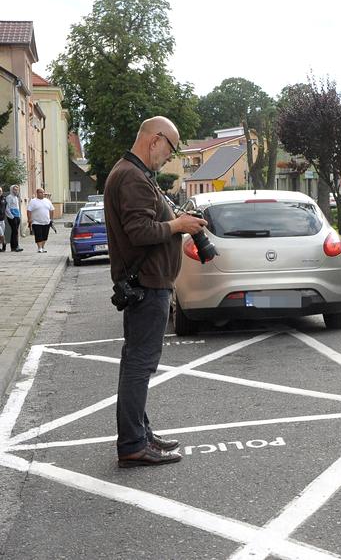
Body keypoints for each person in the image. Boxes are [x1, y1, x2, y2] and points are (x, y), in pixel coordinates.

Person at [104, 116, 208, 467]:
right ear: (155, 140)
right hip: (147, 285)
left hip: (148, 284)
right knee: (138, 366)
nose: (169, 157)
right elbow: (139, 231)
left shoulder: (133, 173)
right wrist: (179, 224)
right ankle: (133, 444)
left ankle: (140, 433)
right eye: (171, 148)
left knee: (137, 364)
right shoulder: (131, 177)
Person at [27, 188, 54, 253]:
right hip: (36, 222)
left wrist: (51, 219)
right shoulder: (33, 201)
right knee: (38, 235)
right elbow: (29, 210)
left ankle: (43, 247)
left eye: (43, 192)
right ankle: (39, 248)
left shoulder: (47, 201)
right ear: (37, 193)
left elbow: (52, 209)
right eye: (40, 192)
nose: (42, 194)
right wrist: (29, 219)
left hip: (46, 221)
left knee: (45, 236)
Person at [5, 184, 23, 252]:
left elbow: (17, 207)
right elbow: (7, 208)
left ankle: (15, 246)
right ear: (12, 190)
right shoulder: (9, 197)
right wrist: (11, 216)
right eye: (14, 189)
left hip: (17, 216)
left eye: (17, 189)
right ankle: (14, 246)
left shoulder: (16, 197)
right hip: (12, 217)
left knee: (15, 232)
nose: (16, 191)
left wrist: (18, 216)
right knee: (14, 231)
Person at [0, 186, 6, 252]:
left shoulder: (4, 199)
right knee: (1, 234)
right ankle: (4, 244)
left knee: (1, 234)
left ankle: (2, 247)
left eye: (0, 191)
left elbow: (5, 208)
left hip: (2, 219)